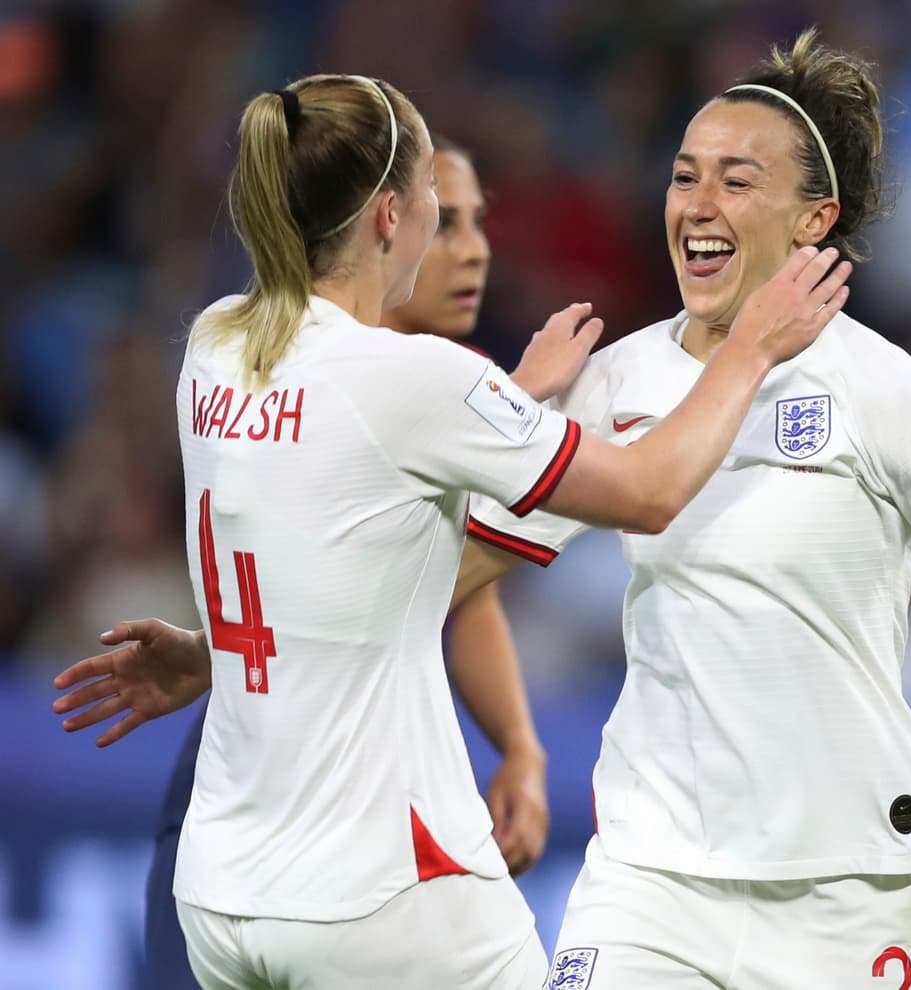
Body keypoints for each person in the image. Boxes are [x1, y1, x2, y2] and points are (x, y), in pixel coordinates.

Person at [56, 38, 911, 988]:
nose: (696, 199)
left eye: (738, 180)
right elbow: (428, 576)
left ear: (810, 224)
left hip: (843, 894)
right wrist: (225, 656)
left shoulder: (888, 392)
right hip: (648, 884)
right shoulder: (618, 381)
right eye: (684, 172)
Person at [53, 70, 850, 990]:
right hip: (388, 893)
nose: (445, 213)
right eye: (435, 188)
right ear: (390, 216)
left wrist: (510, 396)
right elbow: (651, 491)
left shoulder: (218, 342)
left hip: (225, 892)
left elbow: (340, 507)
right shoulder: (417, 378)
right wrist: (754, 343)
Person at [138, 134, 550, 990]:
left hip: (293, 791)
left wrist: (518, 745)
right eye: (449, 221)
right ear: (384, 226)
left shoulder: (268, 354)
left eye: (482, 223)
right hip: (280, 796)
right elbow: (403, 580)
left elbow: (456, 600)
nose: (472, 247)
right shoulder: (364, 381)